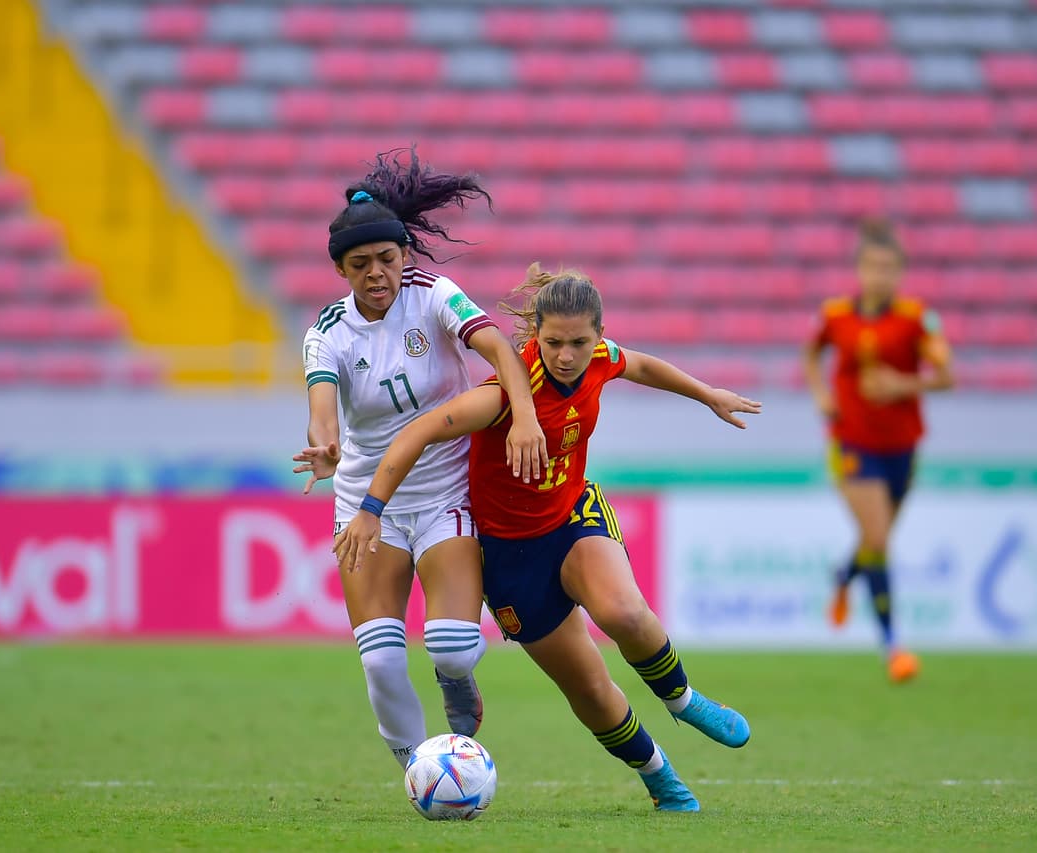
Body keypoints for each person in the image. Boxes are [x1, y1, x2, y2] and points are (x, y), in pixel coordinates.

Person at [336, 264, 761, 812]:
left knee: (625, 614)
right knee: (588, 689)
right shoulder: (504, 396)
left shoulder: (602, 361)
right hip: (510, 558)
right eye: (553, 342)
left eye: (579, 342)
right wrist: (370, 507)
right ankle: (661, 778)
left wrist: (707, 395)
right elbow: (420, 430)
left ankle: (683, 700)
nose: (566, 355)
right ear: (535, 334)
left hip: (572, 516)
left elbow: (644, 366)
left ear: (598, 337)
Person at [291, 149, 548, 771]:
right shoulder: (327, 333)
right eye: (361, 264)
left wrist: (526, 415)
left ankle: (457, 682)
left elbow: (501, 350)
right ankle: (419, 769)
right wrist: (325, 444)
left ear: (405, 253)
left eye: (387, 258)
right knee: (379, 658)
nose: (378, 272)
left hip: (446, 494)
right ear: (340, 270)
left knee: (454, 648)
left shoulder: (435, 295)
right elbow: (322, 404)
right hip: (366, 503)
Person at [802, 218, 956, 683]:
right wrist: (821, 395)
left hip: (902, 446)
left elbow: (947, 375)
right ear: (859, 269)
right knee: (880, 541)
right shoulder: (835, 316)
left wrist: (903, 383)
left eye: (889, 268)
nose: (879, 276)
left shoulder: (915, 318)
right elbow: (811, 355)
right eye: (872, 266)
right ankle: (894, 646)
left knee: (875, 540)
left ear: (900, 272)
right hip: (852, 443)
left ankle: (845, 576)